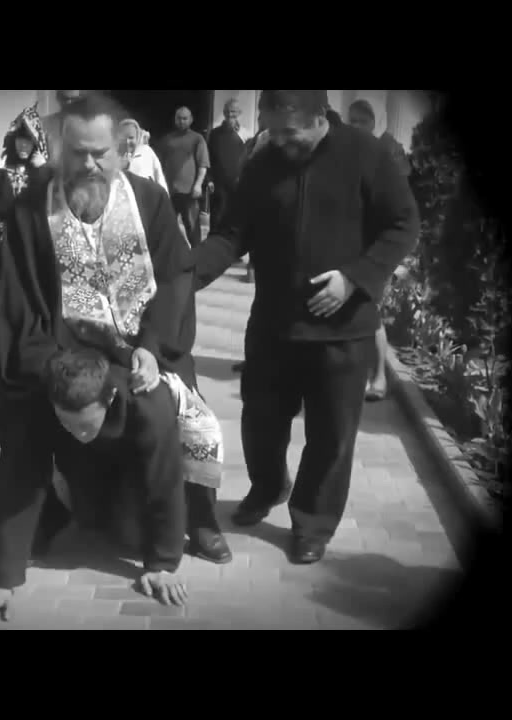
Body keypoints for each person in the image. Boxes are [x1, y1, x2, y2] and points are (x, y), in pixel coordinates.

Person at [0, 93, 211, 627]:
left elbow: (175, 279)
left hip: (139, 355)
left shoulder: (149, 201)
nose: (89, 164)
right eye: (77, 153)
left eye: (100, 153)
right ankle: (47, 515)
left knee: (158, 417)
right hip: (61, 359)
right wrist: (3, 579)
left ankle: (183, 532)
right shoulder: (32, 208)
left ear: (121, 150)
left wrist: (151, 346)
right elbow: (20, 302)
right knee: (24, 420)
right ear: (58, 150)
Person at [193, 90, 419, 565]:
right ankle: (268, 486)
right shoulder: (264, 162)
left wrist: (355, 278)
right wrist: (184, 275)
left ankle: (313, 522)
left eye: (288, 132)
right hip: (273, 325)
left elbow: (403, 224)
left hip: (343, 331)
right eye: (270, 129)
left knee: (331, 436)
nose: (277, 140)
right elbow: (232, 233)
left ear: (320, 117)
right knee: (260, 421)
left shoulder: (365, 154)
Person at [347, 98, 412, 401]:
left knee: (370, 312)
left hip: (377, 248)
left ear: (373, 123)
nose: (356, 126)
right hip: (354, 245)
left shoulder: (386, 153)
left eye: (361, 121)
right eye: (352, 121)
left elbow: (399, 209)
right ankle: (362, 377)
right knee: (357, 313)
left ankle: (379, 378)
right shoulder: (349, 152)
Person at [0, 104, 50, 250]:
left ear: (36, 142)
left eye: (28, 140)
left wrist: (44, 171)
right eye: (19, 139)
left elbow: (47, 205)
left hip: (31, 241)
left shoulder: (42, 168)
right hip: (3, 242)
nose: (23, 145)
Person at [158, 106, 210, 248]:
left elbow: (203, 165)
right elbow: (158, 164)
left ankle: (197, 257)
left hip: (189, 192)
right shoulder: (167, 140)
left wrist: (198, 185)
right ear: (175, 120)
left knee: (193, 229)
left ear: (191, 119)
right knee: (167, 227)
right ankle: (174, 255)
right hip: (170, 192)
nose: (182, 121)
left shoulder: (197, 139)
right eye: (179, 118)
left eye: (185, 118)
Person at [207, 98, 247, 233]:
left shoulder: (245, 134)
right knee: (216, 217)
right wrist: (209, 179)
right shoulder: (215, 134)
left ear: (239, 113)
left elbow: (248, 159)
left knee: (235, 217)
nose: (230, 114)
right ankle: (213, 242)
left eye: (233, 111)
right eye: (228, 111)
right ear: (224, 113)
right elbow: (209, 157)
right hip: (219, 183)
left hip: (237, 183)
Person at [118, 118, 169, 192]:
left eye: (131, 138)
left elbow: (159, 176)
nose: (127, 142)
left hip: (147, 195)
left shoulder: (146, 151)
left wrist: (165, 195)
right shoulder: (114, 155)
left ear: (137, 137)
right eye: (124, 138)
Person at [43, 90, 83, 162]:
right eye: (65, 99)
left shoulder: (91, 126)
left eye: (74, 99)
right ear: (58, 98)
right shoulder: (44, 124)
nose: (69, 103)